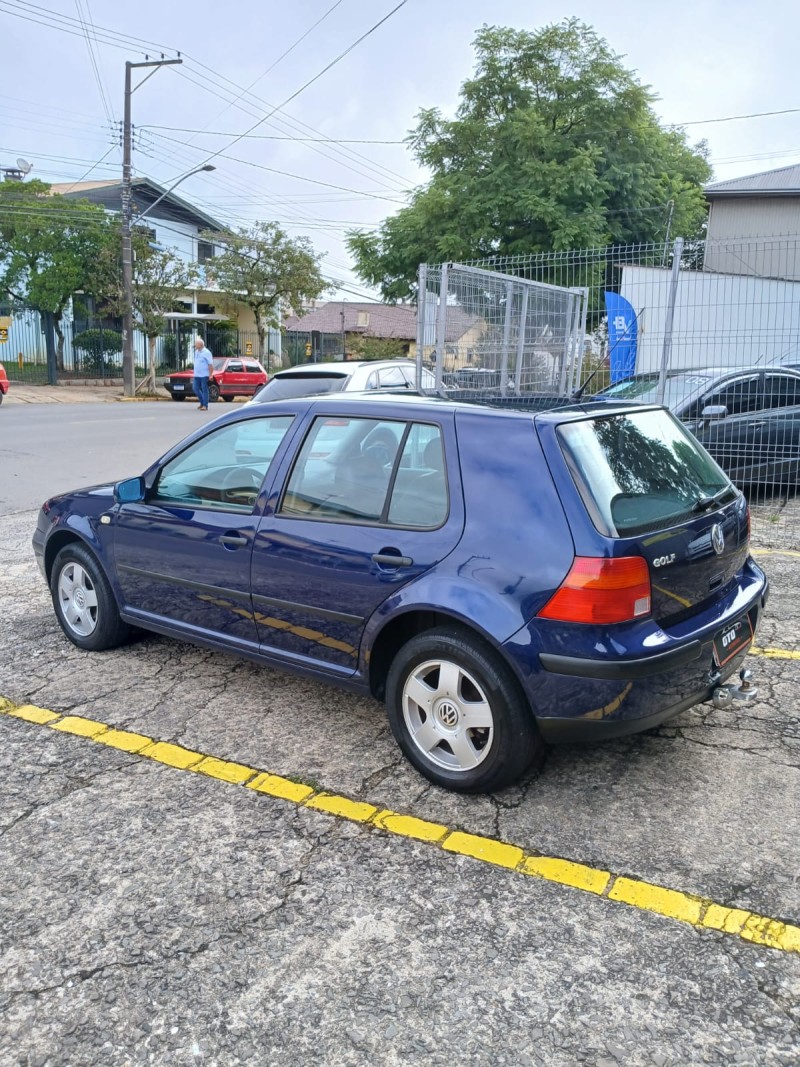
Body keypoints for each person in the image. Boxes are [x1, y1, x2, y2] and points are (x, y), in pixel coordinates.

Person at [193, 338, 214, 410]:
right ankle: (202, 402)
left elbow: (210, 365)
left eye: (196, 344)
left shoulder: (207, 353)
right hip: (197, 375)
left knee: (204, 389)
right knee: (195, 389)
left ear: (201, 345)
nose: (195, 345)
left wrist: (210, 374)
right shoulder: (196, 352)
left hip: (204, 375)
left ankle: (205, 405)